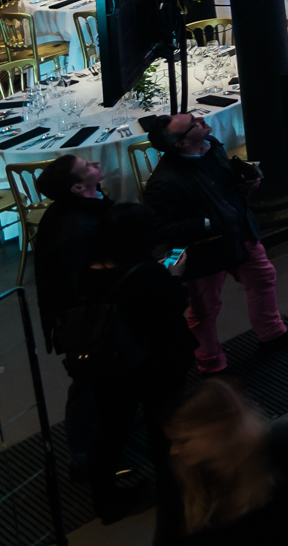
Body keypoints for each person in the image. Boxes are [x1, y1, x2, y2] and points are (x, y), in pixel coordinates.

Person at [139, 114, 288, 374]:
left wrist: (245, 185)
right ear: (180, 143)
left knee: (263, 279)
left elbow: (224, 185)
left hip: (239, 233)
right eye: (192, 124)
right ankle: (210, 363)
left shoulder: (212, 145)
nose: (200, 120)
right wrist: (209, 223)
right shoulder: (163, 183)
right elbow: (160, 230)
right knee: (205, 307)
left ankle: (273, 335)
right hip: (203, 251)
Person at [72, 203, 197, 522]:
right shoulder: (149, 274)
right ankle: (172, 490)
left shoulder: (89, 268)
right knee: (163, 427)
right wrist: (173, 276)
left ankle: (106, 500)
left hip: (111, 366)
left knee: (111, 430)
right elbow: (172, 307)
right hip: (157, 363)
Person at [155, 378, 288, 546]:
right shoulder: (179, 473)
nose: (173, 451)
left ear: (218, 430)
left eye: (184, 440)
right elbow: (166, 539)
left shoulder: (282, 445)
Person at [36, 156, 113, 475]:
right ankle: (82, 457)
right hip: (84, 321)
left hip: (87, 315)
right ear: (79, 186)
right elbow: (84, 283)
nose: (96, 163)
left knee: (99, 381)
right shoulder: (76, 229)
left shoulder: (81, 209)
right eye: (87, 166)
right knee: (88, 385)